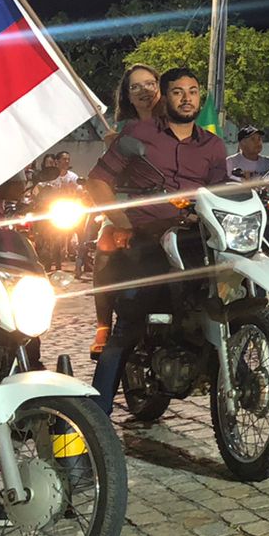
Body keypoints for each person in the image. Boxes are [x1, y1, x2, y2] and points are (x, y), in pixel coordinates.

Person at [85, 67, 229, 413]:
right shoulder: (139, 133)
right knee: (129, 322)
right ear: (166, 97)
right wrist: (123, 222)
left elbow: (222, 192)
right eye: (178, 92)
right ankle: (88, 425)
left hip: (197, 240)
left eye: (193, 91)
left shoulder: (213, 145)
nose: (186, 98)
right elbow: (97, 181)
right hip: (148, 240)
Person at [90, 63, 161, 358]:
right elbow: (103, 180)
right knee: (106, 243)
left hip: (174, 206)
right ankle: (103, 324)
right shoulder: (121, 132)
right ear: (128, 97)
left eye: (150, 83)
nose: (144, 91)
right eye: (135, 87)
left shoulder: (179, 123)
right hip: (129, 205)